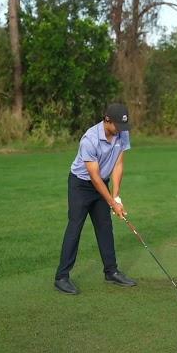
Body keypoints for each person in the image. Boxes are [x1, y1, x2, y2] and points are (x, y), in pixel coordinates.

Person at [54, 103, 136, 294]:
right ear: (107, 120)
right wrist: (111, 202)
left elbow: (118, 165)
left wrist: (117, 196)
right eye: (117, 125)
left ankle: (111, 271)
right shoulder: (89, 140)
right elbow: (95, 177)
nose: (121, 131)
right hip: (81, 185)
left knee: (105, 226)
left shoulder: (122, 133)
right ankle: (61, 277)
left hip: (102, 183)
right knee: (75, 227)